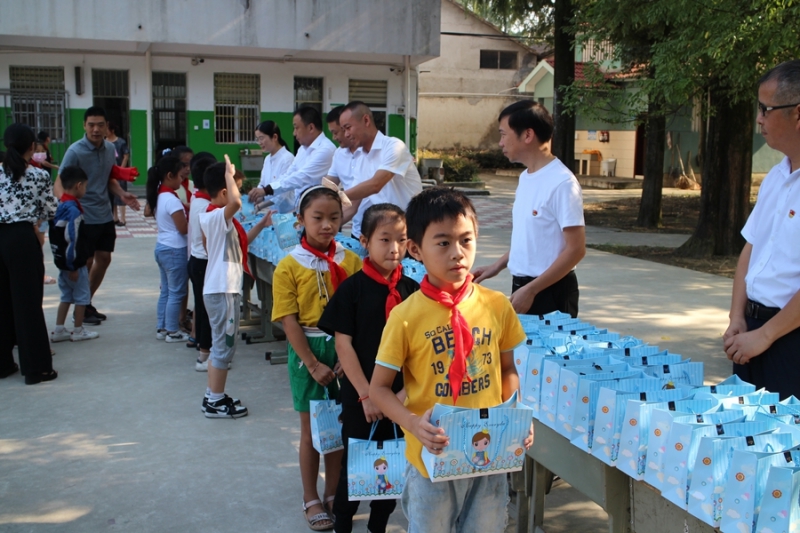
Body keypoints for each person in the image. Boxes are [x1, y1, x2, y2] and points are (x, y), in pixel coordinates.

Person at [369, 187, 531, 533]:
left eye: (466, 241)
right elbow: (380, 389)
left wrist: (515, 414)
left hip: (489, 457)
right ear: (415, 249)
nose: (457, 253)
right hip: (433, 460)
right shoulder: (405, 316)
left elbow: (507, 369)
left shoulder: (497, 305)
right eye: (442, 243)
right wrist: (412, 424)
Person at [318, 203, 419, 533]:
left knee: (391, 466)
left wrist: (400, 396)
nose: (394, 249)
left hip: (402, 397)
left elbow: (420, 350)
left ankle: (378, 526)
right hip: (361, 395)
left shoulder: (412, 291)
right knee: (357, 465)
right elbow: (343, 344)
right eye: (385, 239)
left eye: (402, 240)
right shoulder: (352, 289)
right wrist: (367, 395)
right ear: (364, 240)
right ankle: (343, 525)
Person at [272, 185, 362, 531]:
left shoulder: (351, 261)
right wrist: (312, 363)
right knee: (311, 430)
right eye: (318, 218)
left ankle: (333, 493)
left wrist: (348, 356)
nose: (327, 225)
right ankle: (310, 497)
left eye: (334, 218)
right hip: (307, 352)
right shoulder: (288, 267)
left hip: (345, 350)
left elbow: (357, 311)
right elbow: (288, 319)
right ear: (300, 220)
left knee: (339, 427)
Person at [723, 59, 800, 400]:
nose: (759, 119)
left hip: (787, 338)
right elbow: (750, 250)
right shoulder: (776, 177)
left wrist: (767, 335)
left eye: (766, 109)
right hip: (752, 333)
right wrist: (737, 316)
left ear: (797, 114)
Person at [472, 100, 586, 317]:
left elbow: (576, 250)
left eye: (504, 134)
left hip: (551, 291)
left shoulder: (562, 183)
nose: (500, 142)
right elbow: (531, 239)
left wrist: (533, 289)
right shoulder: (526, 177)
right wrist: (497, 266)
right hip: (524, 287)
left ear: (527, 135)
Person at [199, 157, 272, 418]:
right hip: (222, 291)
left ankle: (213, 395)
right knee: (224, 347)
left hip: (223, 290)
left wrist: (262, 224)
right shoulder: (214, 217)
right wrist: (229, 173)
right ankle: (215, 402)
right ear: (223, 192)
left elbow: (240, 245)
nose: (239, 194)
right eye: (234, 187)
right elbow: (236, 202)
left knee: (222, 345)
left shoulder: (220, 219)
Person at [54, 107, 141, 325]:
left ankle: (86, 304)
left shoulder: (110, 148)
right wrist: (66, 207)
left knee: (104, 259)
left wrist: (123, 194)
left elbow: (108, 179)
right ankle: (78, 309)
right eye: (91, 124)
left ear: (106, 127)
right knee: (85, 262)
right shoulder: (75, 151)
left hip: (104, 214)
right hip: (82, 216)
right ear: (84, 126)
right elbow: (60, 182)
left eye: (100, 125)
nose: (95, 129)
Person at [0, 123, 58, 384]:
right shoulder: (38, 176)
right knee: (28, 305)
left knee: (1, 302)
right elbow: (50, 210)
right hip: (22, 239)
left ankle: (3, 364)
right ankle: (36, 369)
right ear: (33, 147)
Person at [338, 101, 422, 238]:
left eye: (348, 128)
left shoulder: (394, 146)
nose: (346, 134)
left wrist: (337, 196)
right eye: (343, 130)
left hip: (410, 232)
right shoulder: (360, 158)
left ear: (366, 120)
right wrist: (323, 226)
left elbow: (375, 184)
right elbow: (352, 205)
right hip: (386, 233)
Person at [48, 166, 100, 343]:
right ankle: (78, 330)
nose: (85, 189)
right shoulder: (74, 211)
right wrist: (74, 265)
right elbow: (73, 239)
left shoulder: (61, 205)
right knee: (81, 297)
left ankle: (59, 329)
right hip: (74, 265)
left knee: (66, 297)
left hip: (62, 263)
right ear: (79, 185)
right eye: (85, 186)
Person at [248, 107, 336, 209]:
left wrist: (266, 191)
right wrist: (262, 192)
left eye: (296, 128)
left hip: (319, 210)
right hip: (302, 209)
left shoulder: (325, 149)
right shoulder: (302, 149)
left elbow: (301, 177)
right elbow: (289, 174)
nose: (294, 133)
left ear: (311, 128)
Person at [145, 155, 191, 343]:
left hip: (162, 246)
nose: (182, 180)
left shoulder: (159, 195)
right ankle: (172, 330)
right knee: (177, 292)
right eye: (180, 176)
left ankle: (162, 327)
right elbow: (183, 228)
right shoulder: (171, 200)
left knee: (166, 291)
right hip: (174, 249)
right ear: (170, 175)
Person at [246, 120, 295, 210]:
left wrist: (262, 204)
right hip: (273, 212)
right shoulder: (267, 159)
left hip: (287, 213)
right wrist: (256, 195)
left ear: (274, 137)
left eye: (261, 138)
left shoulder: (287, 159)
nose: (259, 142)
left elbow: (282, 194)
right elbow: (263, 183)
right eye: (257, 139)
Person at [106, 122, 130, 227]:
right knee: (112, 195)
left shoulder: (121, 142)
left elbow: (126, 155)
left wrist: (121, 169)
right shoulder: (103, 142)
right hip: (108, 172)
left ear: (112, 130)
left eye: (106, 129)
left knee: (121, 194)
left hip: (119, 172)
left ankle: (123, 219)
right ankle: (115, 217)